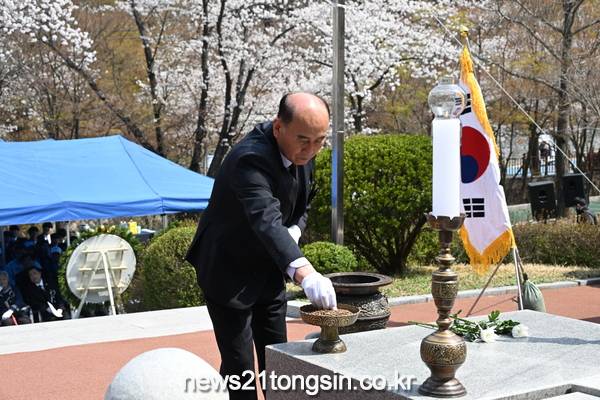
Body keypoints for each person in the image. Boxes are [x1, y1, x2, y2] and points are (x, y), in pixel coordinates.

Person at [186, 92, 337, 399]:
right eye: (304, 140)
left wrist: (294, 230)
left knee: (277, 359)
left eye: (320, 141)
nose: (311, 150)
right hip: (228, 270)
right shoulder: (250, 158)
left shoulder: (304, 153)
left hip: (268, 266)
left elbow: (303, 203)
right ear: (278, 127)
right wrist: (305, 273)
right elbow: (265, 218)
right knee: (240, 368)